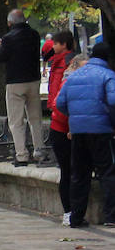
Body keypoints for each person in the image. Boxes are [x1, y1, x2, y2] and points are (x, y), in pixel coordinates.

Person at [55, 43, 115, 228]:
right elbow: (113, 101)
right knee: (107, 172)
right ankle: (111, 216)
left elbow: (60, 103)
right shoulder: (108, 75)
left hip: (78, 131)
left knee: (79, 174)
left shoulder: (74, 76)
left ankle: (76, 217)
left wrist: (75, 116)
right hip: (101, 130)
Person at [0, 9, 44, 166]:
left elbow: (0, 57)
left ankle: (22, 155)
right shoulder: (34, 35)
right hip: (33, 80)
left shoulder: (8, 38)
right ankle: (39, 151)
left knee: (16, 121)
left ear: (10, 22)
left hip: (15, 82)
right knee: (35, 118)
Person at [47, 31, 77, 226]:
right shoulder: (57, 62)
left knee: (72, 170)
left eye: (55, 43)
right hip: (60, 123)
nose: (52, 46)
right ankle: (70, 211)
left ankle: (73, 211)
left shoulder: (66, 63)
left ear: (64, 44)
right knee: (68, 170)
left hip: (64, 122)